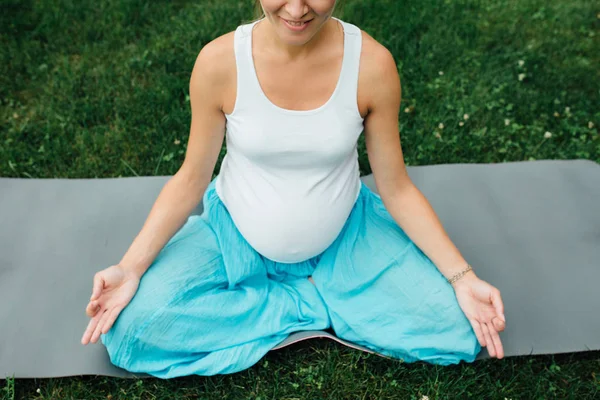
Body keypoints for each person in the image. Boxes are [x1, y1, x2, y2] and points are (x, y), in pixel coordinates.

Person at [80, 0, 506, 378]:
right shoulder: (219, 62)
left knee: (458, 328)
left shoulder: (372, 65)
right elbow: (192, 177)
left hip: (346, 240)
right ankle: (312, 304)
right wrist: (131, 267)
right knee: (131, 330)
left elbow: (396, 188)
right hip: (234, 238)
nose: (297, 9)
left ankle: (311, 294)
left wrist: (462, 278)